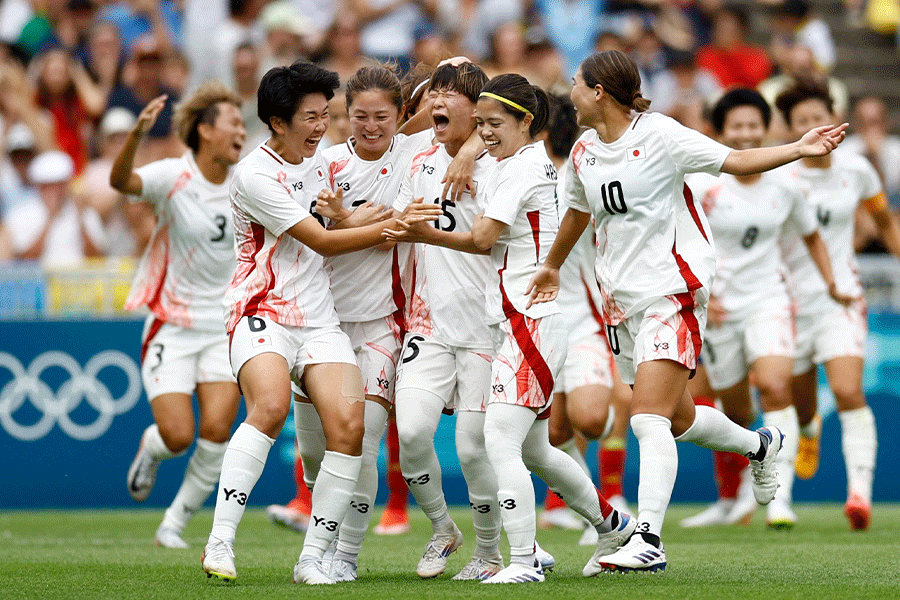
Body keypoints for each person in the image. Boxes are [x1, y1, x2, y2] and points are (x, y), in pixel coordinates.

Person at [526, 50, 848, 572]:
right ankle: (760, 446)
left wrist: (798, 148)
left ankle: (647, 539)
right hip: (620, 303)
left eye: (576, 83)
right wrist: (553, 266)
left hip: (670, 293)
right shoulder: (585, 149)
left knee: (647, 419)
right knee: (676, 419)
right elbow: (578, 214)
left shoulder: (661, 135)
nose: (571, 91)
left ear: (600, 92)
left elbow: (736, 160)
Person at [389, 73, 637, 584]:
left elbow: (481, 238)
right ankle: (613, 527)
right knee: (534, 449)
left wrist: (423, 232)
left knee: (497, 441)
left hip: (529, 321)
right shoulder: (518, 162)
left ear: (526, 121)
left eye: (494, 124)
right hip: (516, 320)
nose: (485, 134)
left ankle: (523, 560)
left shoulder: (520, 170)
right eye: (480, 125)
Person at [199, 60, 438, 585]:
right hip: (261, 310)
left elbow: (405, 131)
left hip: (320, 319)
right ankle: (219, 542)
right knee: (269, 406)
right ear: (277, 122)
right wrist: (394, 224)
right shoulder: (256, 176)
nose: (320, 127)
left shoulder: (323, 162)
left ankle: (315, 558)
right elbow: (324, 240)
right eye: (310, 117)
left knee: (350, 431)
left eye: (326, 116)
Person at [289, 64, 437, 581]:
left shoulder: (414, 158)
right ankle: (324, 537)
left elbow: (401, 227)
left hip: (381, 322)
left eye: (382, 117)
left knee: (363, 442)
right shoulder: (323, 164)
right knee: (316, 456)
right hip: (320, 325)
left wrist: (347, 219)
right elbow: (309, 230)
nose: (371, 127)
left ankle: (340, 555)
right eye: (360, 117)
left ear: (401, 116)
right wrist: (359, 221)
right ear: (343, 117)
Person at [681, 88, 850, 529]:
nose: (746, 134)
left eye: (754, 125)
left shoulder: (787, 181)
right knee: (735, 412)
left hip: (769, 299)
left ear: (766, 128)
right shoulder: (703, 182)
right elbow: (678, 240)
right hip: (717, 309)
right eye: (736, 126)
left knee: (775, 387)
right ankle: (741, 488)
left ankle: (780, 498)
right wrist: (703, 293)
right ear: (719, 131)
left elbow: (811, 236)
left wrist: (832, 282)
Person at [385, 61, 511, 581]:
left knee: (474, 448)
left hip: (486, 328)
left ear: (480, 109)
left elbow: (533, 123)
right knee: (412, 432)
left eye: (450, 93)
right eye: (432, 92)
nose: (437, 100)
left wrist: (473, 146)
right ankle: (443, 529)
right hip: (429, 325)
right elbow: (394, 208)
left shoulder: (504, 162)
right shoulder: (416, 159)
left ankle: (489, 553)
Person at [111, 83, 246, 549]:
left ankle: (174, 523)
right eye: (233, 122)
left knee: (215, 431)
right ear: (205, 131)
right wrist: (135, 136)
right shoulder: (174, 176)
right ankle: (152, 450)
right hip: (174, 321)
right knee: (178, 435)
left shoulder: (248, 181)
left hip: (224, 328)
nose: (241, 132)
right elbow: (120, 183)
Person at [774, 80, 900, 531]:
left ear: (833, 116)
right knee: (802, 408)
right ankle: (809, 433)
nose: (813, 127)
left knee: (848, 392)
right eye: (801, 121)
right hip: (788, 305)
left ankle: (859, 495)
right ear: (790, 129)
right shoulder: (779, 174)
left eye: (818, 116)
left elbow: (884, 222)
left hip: (842, 297)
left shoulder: (857, 170)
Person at [536, 93, 630, 541]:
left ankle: (615, 481)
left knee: (590, 418)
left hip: (580, 318)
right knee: (553, 432)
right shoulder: (506, 178)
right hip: (533, 324)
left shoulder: (579, 177)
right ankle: (596, 510)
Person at [7, 149, 105, 266]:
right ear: (39, 186)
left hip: (78, 281)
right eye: (48, 186)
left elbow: (97, 259)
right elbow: (23, 261)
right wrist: (50, 219)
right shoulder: (21, 214)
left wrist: (81, 220)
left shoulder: (86, 213)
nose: (55, 191)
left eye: (60, 185)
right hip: (39, 282)